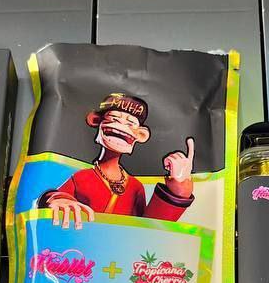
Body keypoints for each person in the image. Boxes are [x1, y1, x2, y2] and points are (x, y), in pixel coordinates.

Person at [38, 92, 194, 228]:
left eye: (130, 124)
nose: (120, 126)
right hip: (81, 247)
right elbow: (57, 198)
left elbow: (148, 226)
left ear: (140, 135)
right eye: (113, 119)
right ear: (96, 122)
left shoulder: (135, 187)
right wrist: (59, 200)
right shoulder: (82, 178)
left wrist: (178, 190)